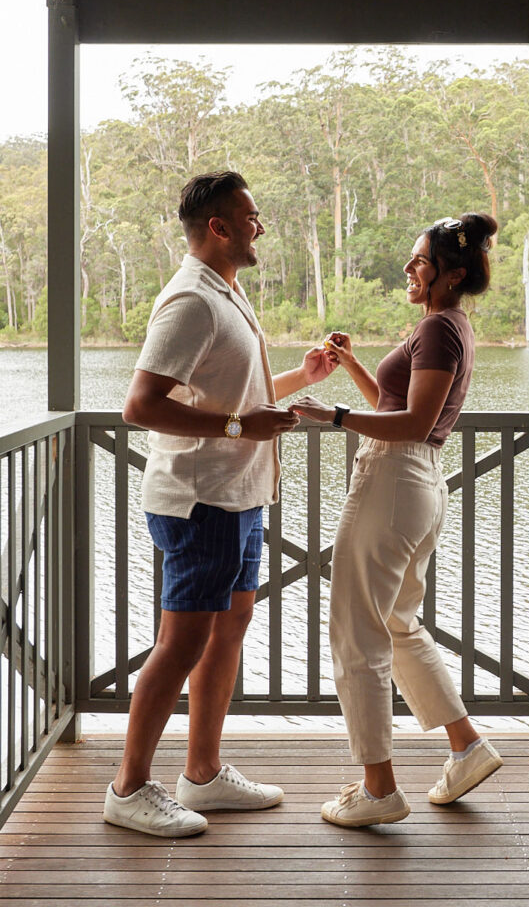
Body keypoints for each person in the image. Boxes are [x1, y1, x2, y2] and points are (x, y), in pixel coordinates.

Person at [103, 171, 341, 837]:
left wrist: (302, 378)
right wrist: (241, 429)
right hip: (200, 502)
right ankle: (128, 788)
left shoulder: (227, 291)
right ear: (219, 227)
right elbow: (141, 407)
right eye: (252, 216)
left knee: (227, 632)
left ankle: (202, 775)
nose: (260, 225)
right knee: (180, 646)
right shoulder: (190, 301)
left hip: (240, 498)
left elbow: (230, 395)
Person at [289, 211, 503, 827]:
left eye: (420, 261)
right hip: (416, 481)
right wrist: (353, 369)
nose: (409, 269)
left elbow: (411, 424)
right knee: (397, 623)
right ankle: (466, 747)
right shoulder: (446, 326)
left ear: (451, 273)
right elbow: (397, 406)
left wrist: (330, 416)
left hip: (394, 479)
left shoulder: (439, 330)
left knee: (358, 630)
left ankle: (378, 789)